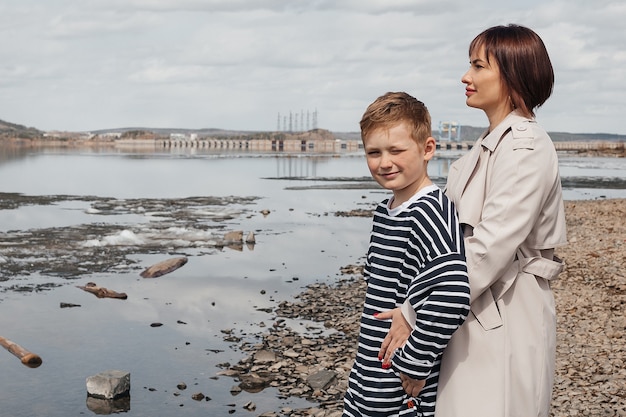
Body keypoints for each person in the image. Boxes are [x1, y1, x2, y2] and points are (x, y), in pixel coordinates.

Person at [377, 24, 568, 417]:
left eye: (479, 66)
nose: (466, 77)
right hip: (469, 308)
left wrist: (414, 313)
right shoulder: (484, 148)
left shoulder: (524, 148)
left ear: (513, 74)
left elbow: (487, 250)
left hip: (506, 311)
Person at [343, 91, 470, 417]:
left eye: (396, 150)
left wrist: (415, 363)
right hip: (369, 372)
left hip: (400, 381)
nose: (384, 162)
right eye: (374, 152)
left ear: (427, 149)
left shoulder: (430, 211)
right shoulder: (386, 210)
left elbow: (453, 292)